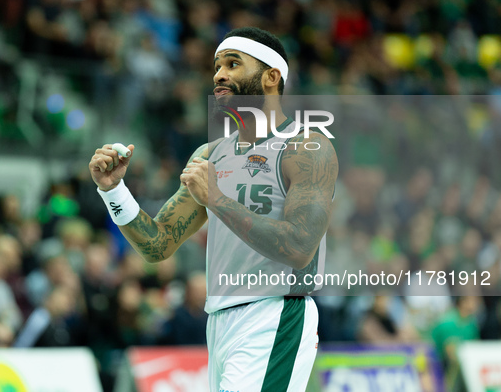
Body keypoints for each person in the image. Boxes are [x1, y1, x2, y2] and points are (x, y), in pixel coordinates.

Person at [89, 27, 338, 391]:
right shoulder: (211, 154)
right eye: (217, 65)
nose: (219, 74)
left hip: (276, 313)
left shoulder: (307, 148)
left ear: (271, 77)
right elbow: (158, 245)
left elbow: (300, 248)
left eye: (233, 64)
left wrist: (217, 199)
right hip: (219, 320)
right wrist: (114, 191)